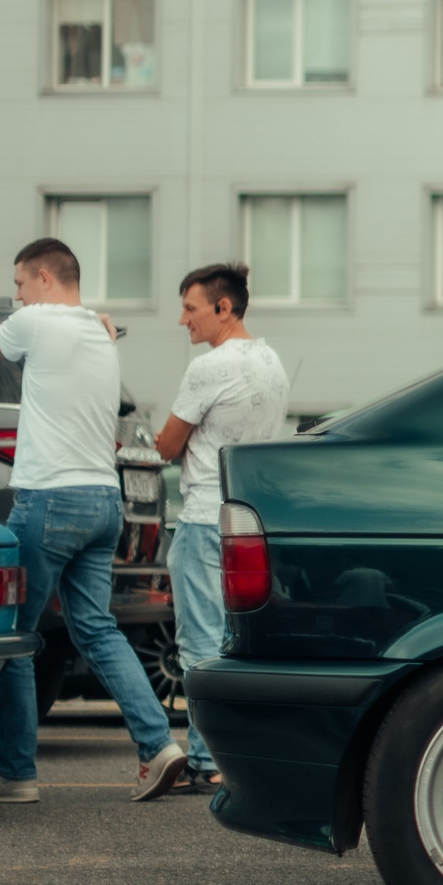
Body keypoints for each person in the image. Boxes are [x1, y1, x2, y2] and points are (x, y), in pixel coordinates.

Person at [0, 240, 180, 804]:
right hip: (103, 503)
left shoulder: (35, 321)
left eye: (19, 284)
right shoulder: (102, 336)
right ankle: (158, 745)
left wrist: (11, 316)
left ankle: (15, 774)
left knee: (13, 634)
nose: (16, 296)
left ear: (43, 276)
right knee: (97, 628)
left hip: (50, 500)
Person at [156, 264, 290, 791]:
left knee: (199, 644)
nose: (182, 320)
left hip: (201, 517)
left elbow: (168, 444)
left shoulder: (208, 368)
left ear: (223, 307)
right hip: (248, 517)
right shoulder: (271, 361)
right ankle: (241, 756)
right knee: (239, 644)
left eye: (190, 308)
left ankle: (206, 759)